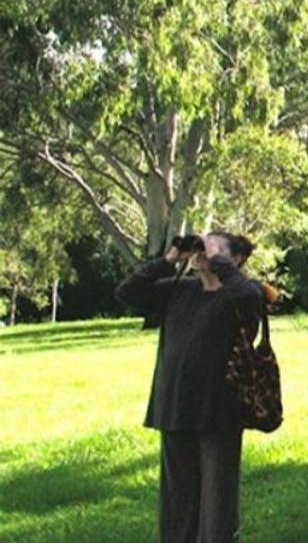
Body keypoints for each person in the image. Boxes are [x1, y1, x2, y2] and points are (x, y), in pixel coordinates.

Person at [117, 232, 264, 543]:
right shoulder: (180, 290)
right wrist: (169, 260)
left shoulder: (240, 293)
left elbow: (251, 300)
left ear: (235, 259)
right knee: (177, 499)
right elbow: (128, 292)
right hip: (174, 406)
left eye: (215, 247)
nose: (203, 252)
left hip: (219, 410)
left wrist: (222, 266)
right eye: (203, 246)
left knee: (217, 500)